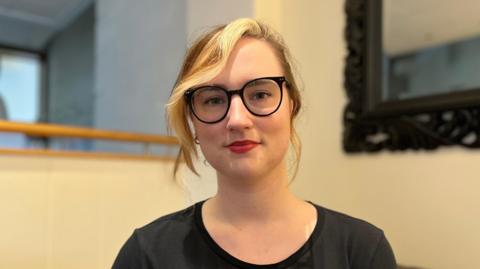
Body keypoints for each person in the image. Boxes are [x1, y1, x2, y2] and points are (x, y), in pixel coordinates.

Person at [112, 18, 396, 269]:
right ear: (193, 124)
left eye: (260, 95)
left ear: (291, 107)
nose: (237, 119)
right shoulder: (147, 255)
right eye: (213, 99)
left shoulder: (361, 251)